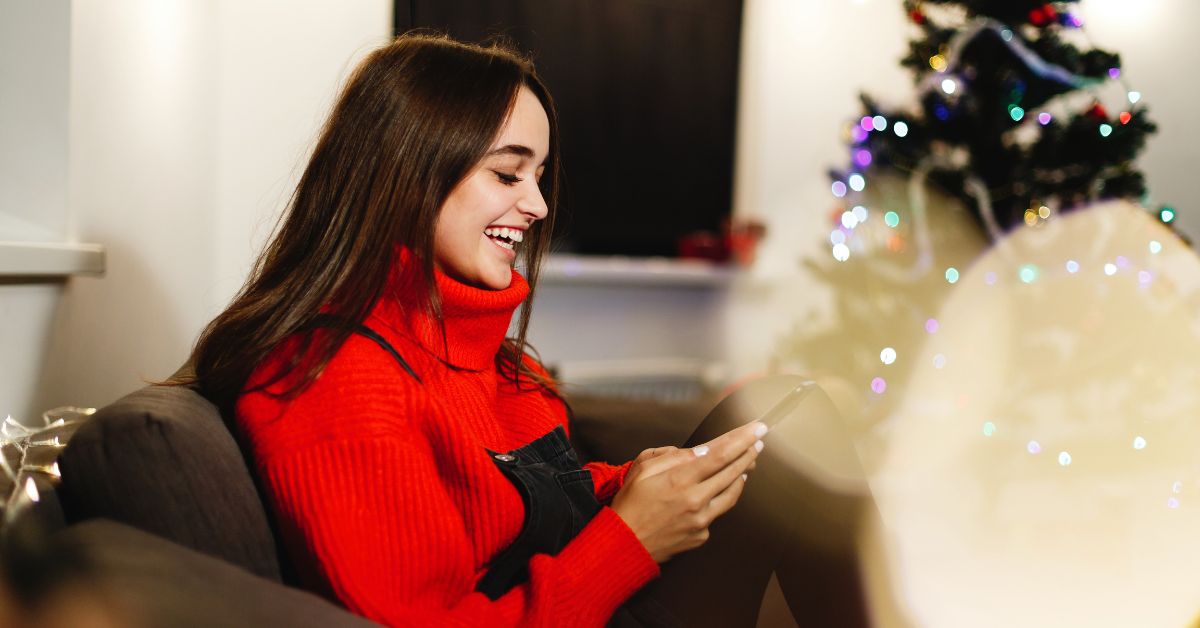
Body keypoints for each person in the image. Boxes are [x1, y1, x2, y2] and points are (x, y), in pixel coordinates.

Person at [183, 33, 866, 627]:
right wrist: (631, 537)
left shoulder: (475, 348)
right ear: (407, 173)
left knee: (790, 410)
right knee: (798, 425)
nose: (537, 205)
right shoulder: (332, 378)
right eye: (508, 172)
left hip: (601, 607)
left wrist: (629, 484)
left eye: (538, 175)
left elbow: (518, 508)